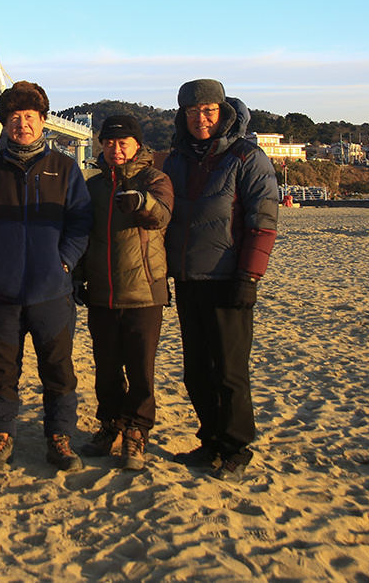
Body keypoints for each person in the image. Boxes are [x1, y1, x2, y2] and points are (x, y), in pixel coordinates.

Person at [0, 81, 92, 472]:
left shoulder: (65, 168)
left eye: (29, 117)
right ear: (5, 123)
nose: (22, 124)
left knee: (58, 371)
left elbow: (80, 223)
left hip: (51, 291)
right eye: (14, 117)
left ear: (43, 120)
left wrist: (64, 262)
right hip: (1, 292)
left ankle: (60, 437)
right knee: (1, 371)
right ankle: (1, 436)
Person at [163, 79, 278, 484]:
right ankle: (210, 439)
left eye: (209, 110)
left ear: (223, 112)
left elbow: (263, 221)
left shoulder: (247, 157)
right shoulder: (176, 159)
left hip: (228, 277)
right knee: (196, 370)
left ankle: (236, 447)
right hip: (187, 277)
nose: (201, 119)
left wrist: (250, 276)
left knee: (230, 371)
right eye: (193, 112)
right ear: (183, 116)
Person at [75, 115, 173, 471]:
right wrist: (79, 277)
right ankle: (111, 426)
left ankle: (137, 430)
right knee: (106, 369)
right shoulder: (93, 186)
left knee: (141, 369)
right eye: (109, 142)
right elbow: (84, 235)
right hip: (102, 291)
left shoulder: (155, 179)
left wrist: (142, 202)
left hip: (144, 291)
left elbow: (161, 216)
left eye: (123, 142)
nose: (115, 148)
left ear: (137, 145)